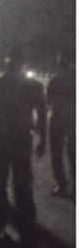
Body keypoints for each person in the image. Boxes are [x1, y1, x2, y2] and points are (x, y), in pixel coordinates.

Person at [0, 47, 48, 243]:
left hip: (1, 139)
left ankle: (1, 222)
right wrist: (43, 140)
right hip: (20, 139)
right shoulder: (33, 86)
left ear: (7, 62)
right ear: (23, 64)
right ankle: (24, 229)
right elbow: (42, 115)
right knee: (22, 185)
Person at [47, 49, 75, 197]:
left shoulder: (55, 79)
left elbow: (48, 100)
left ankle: (62, 185)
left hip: (58, 119)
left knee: (56, 153)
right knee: (74, 153)